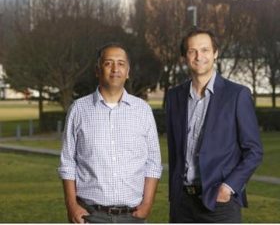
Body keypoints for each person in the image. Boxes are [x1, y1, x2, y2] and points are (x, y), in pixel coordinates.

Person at [166, 29, 263, 223]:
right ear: (185, 56)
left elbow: (254, 151)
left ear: (215, 53)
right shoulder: (174, 96)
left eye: (205, 50)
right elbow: (174, 151)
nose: (199, 56)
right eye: (192, 51)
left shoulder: (237, 95)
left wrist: (228, 187)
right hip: (182, 204)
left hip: (220, 204)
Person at [58, 43, 162, 223]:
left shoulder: (143, 110)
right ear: (97, 70)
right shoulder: (78, 110)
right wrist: (71, 205)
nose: (115, 69)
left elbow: (153, 162)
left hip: (132, 216)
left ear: (128, 72)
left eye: (121, 64)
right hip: (90, 215)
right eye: (108, 63)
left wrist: (147, 204)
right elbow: (67, 162)